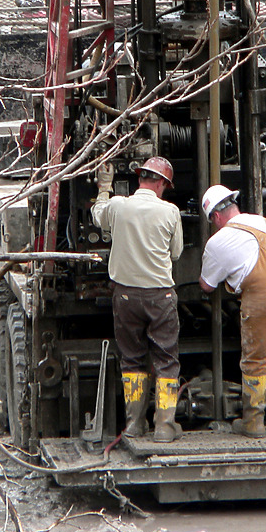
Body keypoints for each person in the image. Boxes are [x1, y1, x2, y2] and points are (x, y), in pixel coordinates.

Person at [199, 185, 266, 438]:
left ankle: (253, 422)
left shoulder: (217, 241)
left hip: (263, 295)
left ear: (215, 217)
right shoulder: (262, 222)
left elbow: (206, 286)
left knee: (257, 358)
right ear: (234, 205)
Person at [92, 156, 184, 443]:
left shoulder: (119, 205)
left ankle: (134, 425)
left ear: (140, 178)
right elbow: (176, 253)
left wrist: (104, 186)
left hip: (126, 296)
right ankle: (165, 428)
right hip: (160, 296)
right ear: (161, 183)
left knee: (132, 359)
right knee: (166, 360)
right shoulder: (170, 212)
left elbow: (98, 215)